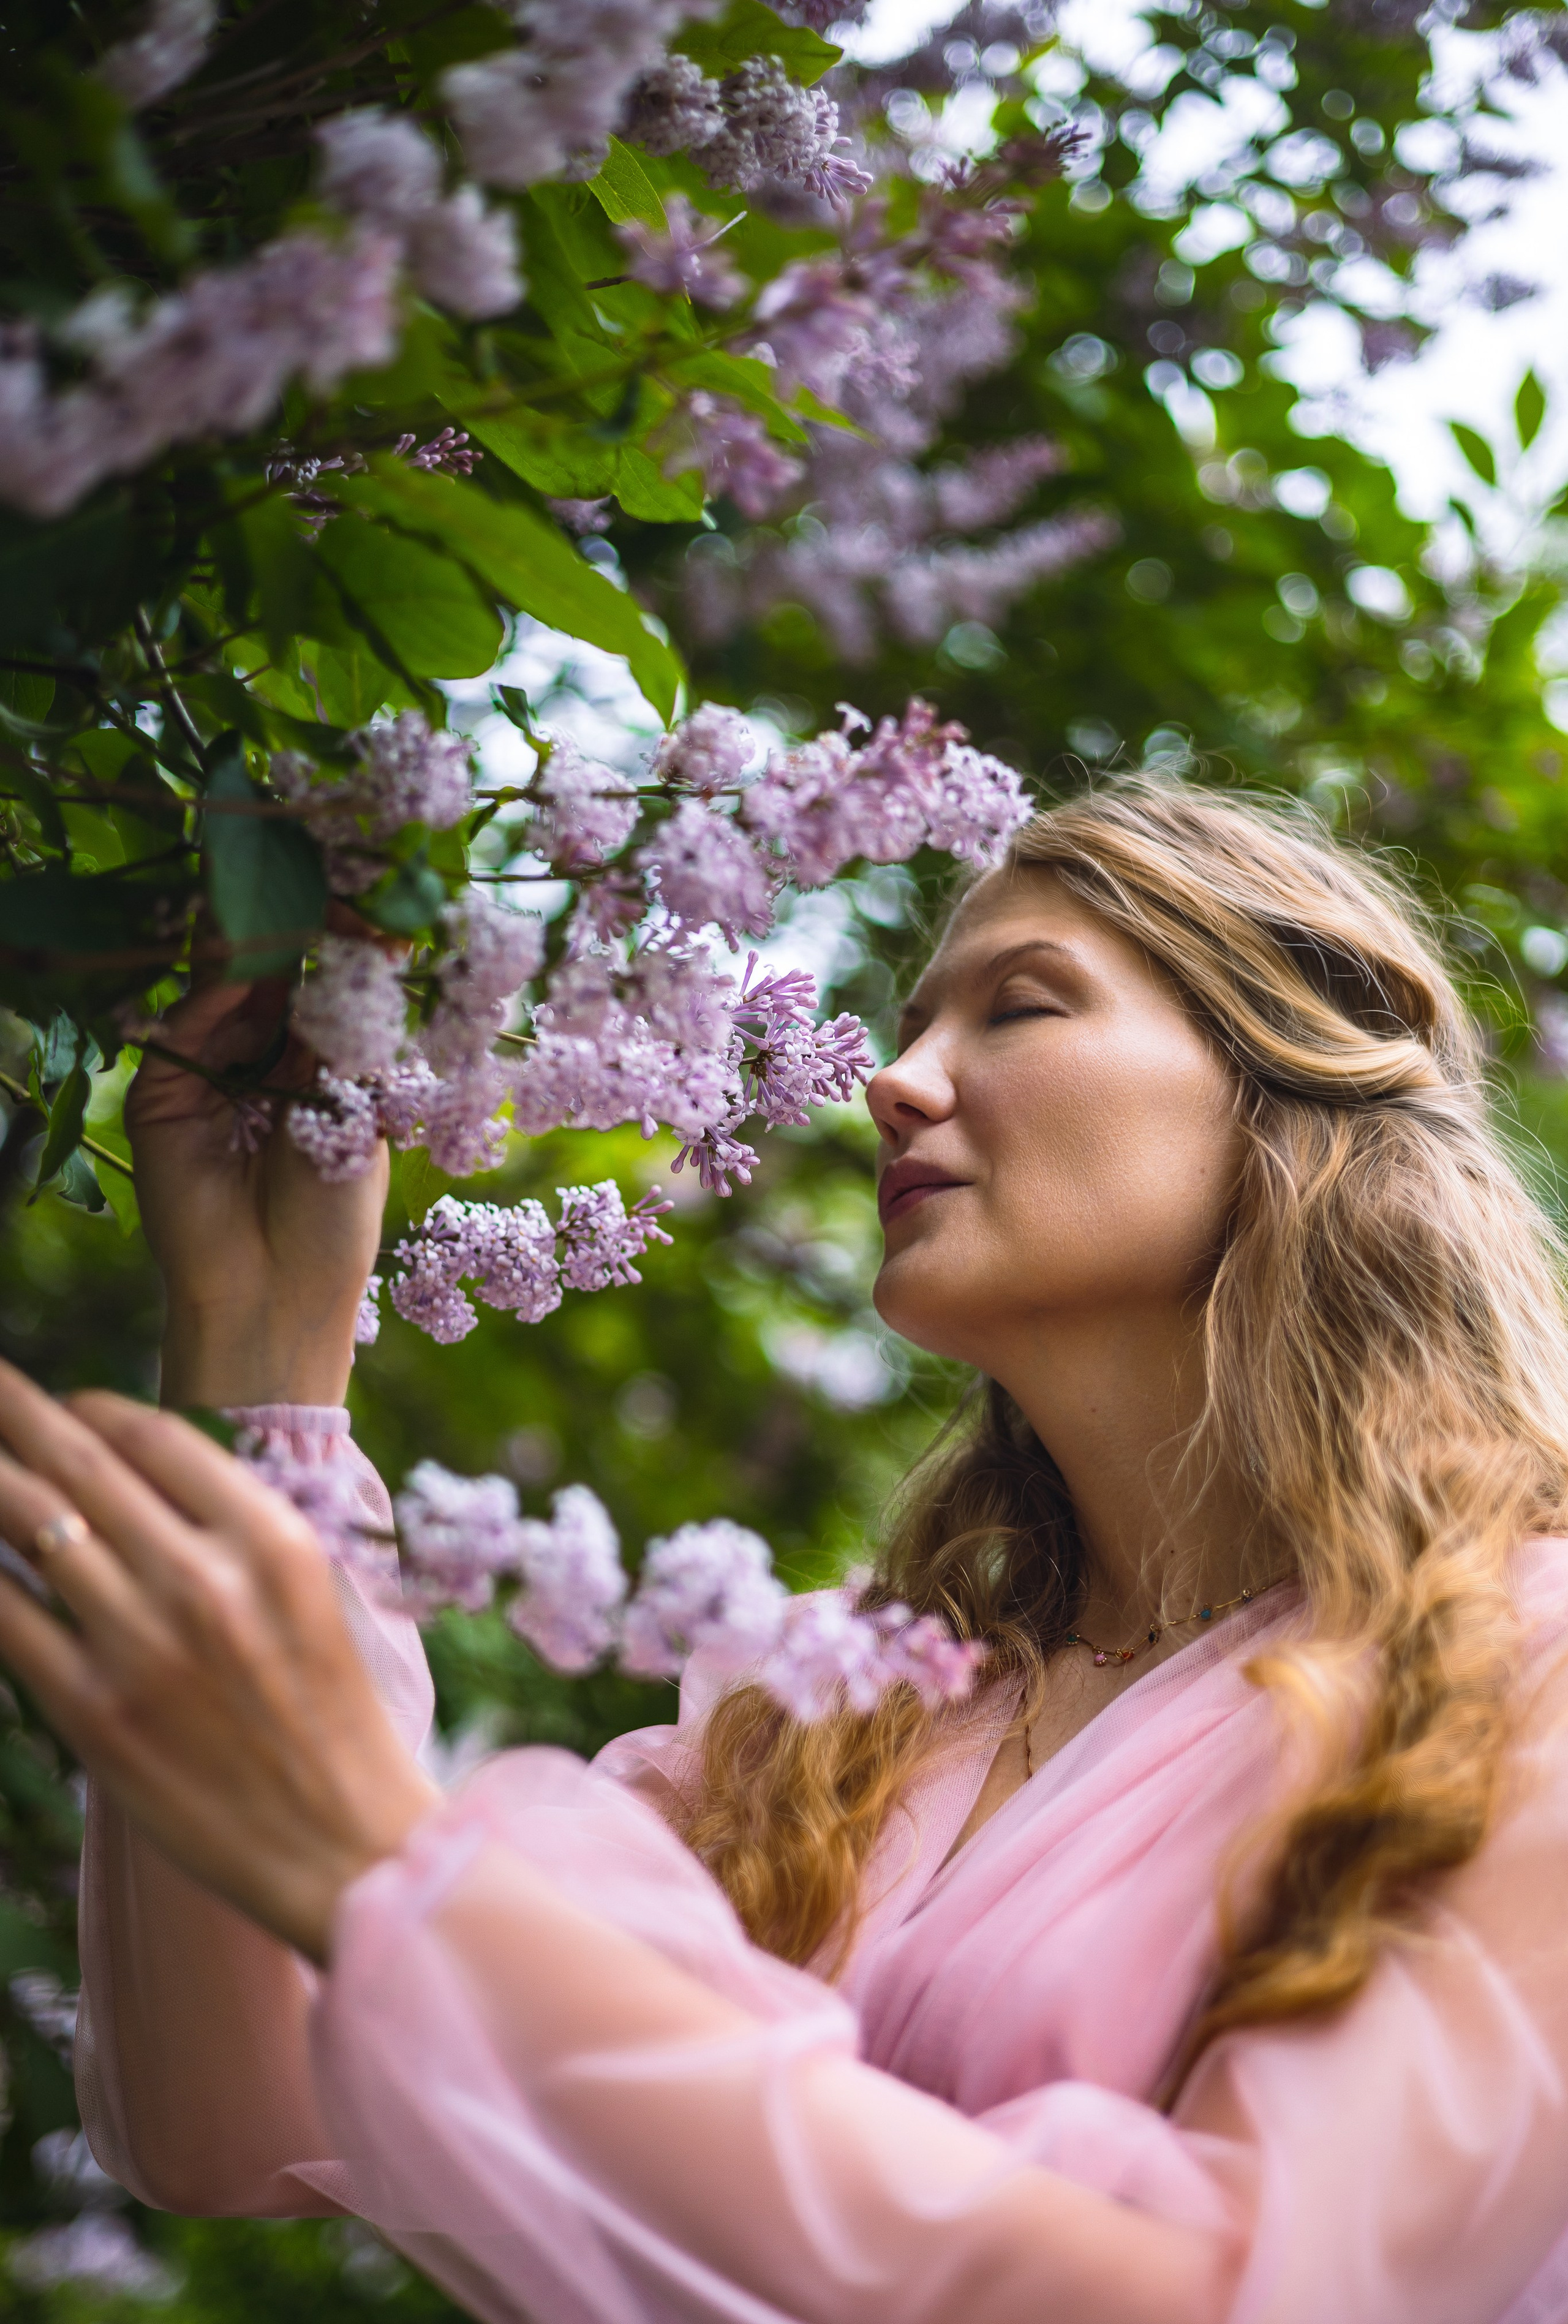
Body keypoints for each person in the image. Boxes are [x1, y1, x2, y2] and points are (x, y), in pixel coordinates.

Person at [0, 779, 1566, 2324]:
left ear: (1288, 1080)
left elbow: (1244, 2289)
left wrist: (403, 1881)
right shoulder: (824, 1719)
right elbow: (242, 2114)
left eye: (1021, 1006)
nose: (892, 1080)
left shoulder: (1520, 1665)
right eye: (909, 1023)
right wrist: (267, 1333)